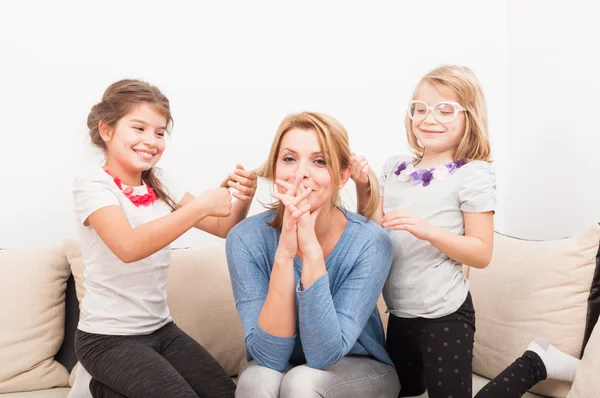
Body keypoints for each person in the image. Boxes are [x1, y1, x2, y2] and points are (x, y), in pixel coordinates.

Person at [70, 79, 256, 398]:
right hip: (107, 339)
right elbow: (128, 247)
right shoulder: (93, 185)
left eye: (159, 132)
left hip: (161, 330)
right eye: (139, 128)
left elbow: (223, 228)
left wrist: (240, 198)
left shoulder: (161, 182)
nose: (151, 141)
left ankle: (107, 390)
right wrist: (199, 207)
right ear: (106, 130)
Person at [225, 112, 400, 397]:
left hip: (358, 365)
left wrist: (311, 252)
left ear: (343, 175)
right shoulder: (245, 238)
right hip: (283, 363)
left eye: (319, 161)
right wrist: (285, 252)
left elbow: (323, 355)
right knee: (257, 379)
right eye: (289, 159)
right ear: (275, 168)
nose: (300, 173)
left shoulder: (371, 242)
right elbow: (269, 356)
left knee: (301, 382)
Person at [353, 65, 496, 397]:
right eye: (421, 108)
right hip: (401, 313)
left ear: (469, 118)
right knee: (403, 392)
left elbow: (481, 252)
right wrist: (363, 186)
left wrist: (426, 230)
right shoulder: (396, 167)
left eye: (445, 110)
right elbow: (375, 229)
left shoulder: (472, 175)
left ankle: (534, 363)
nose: (429, 118)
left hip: (444, 314)